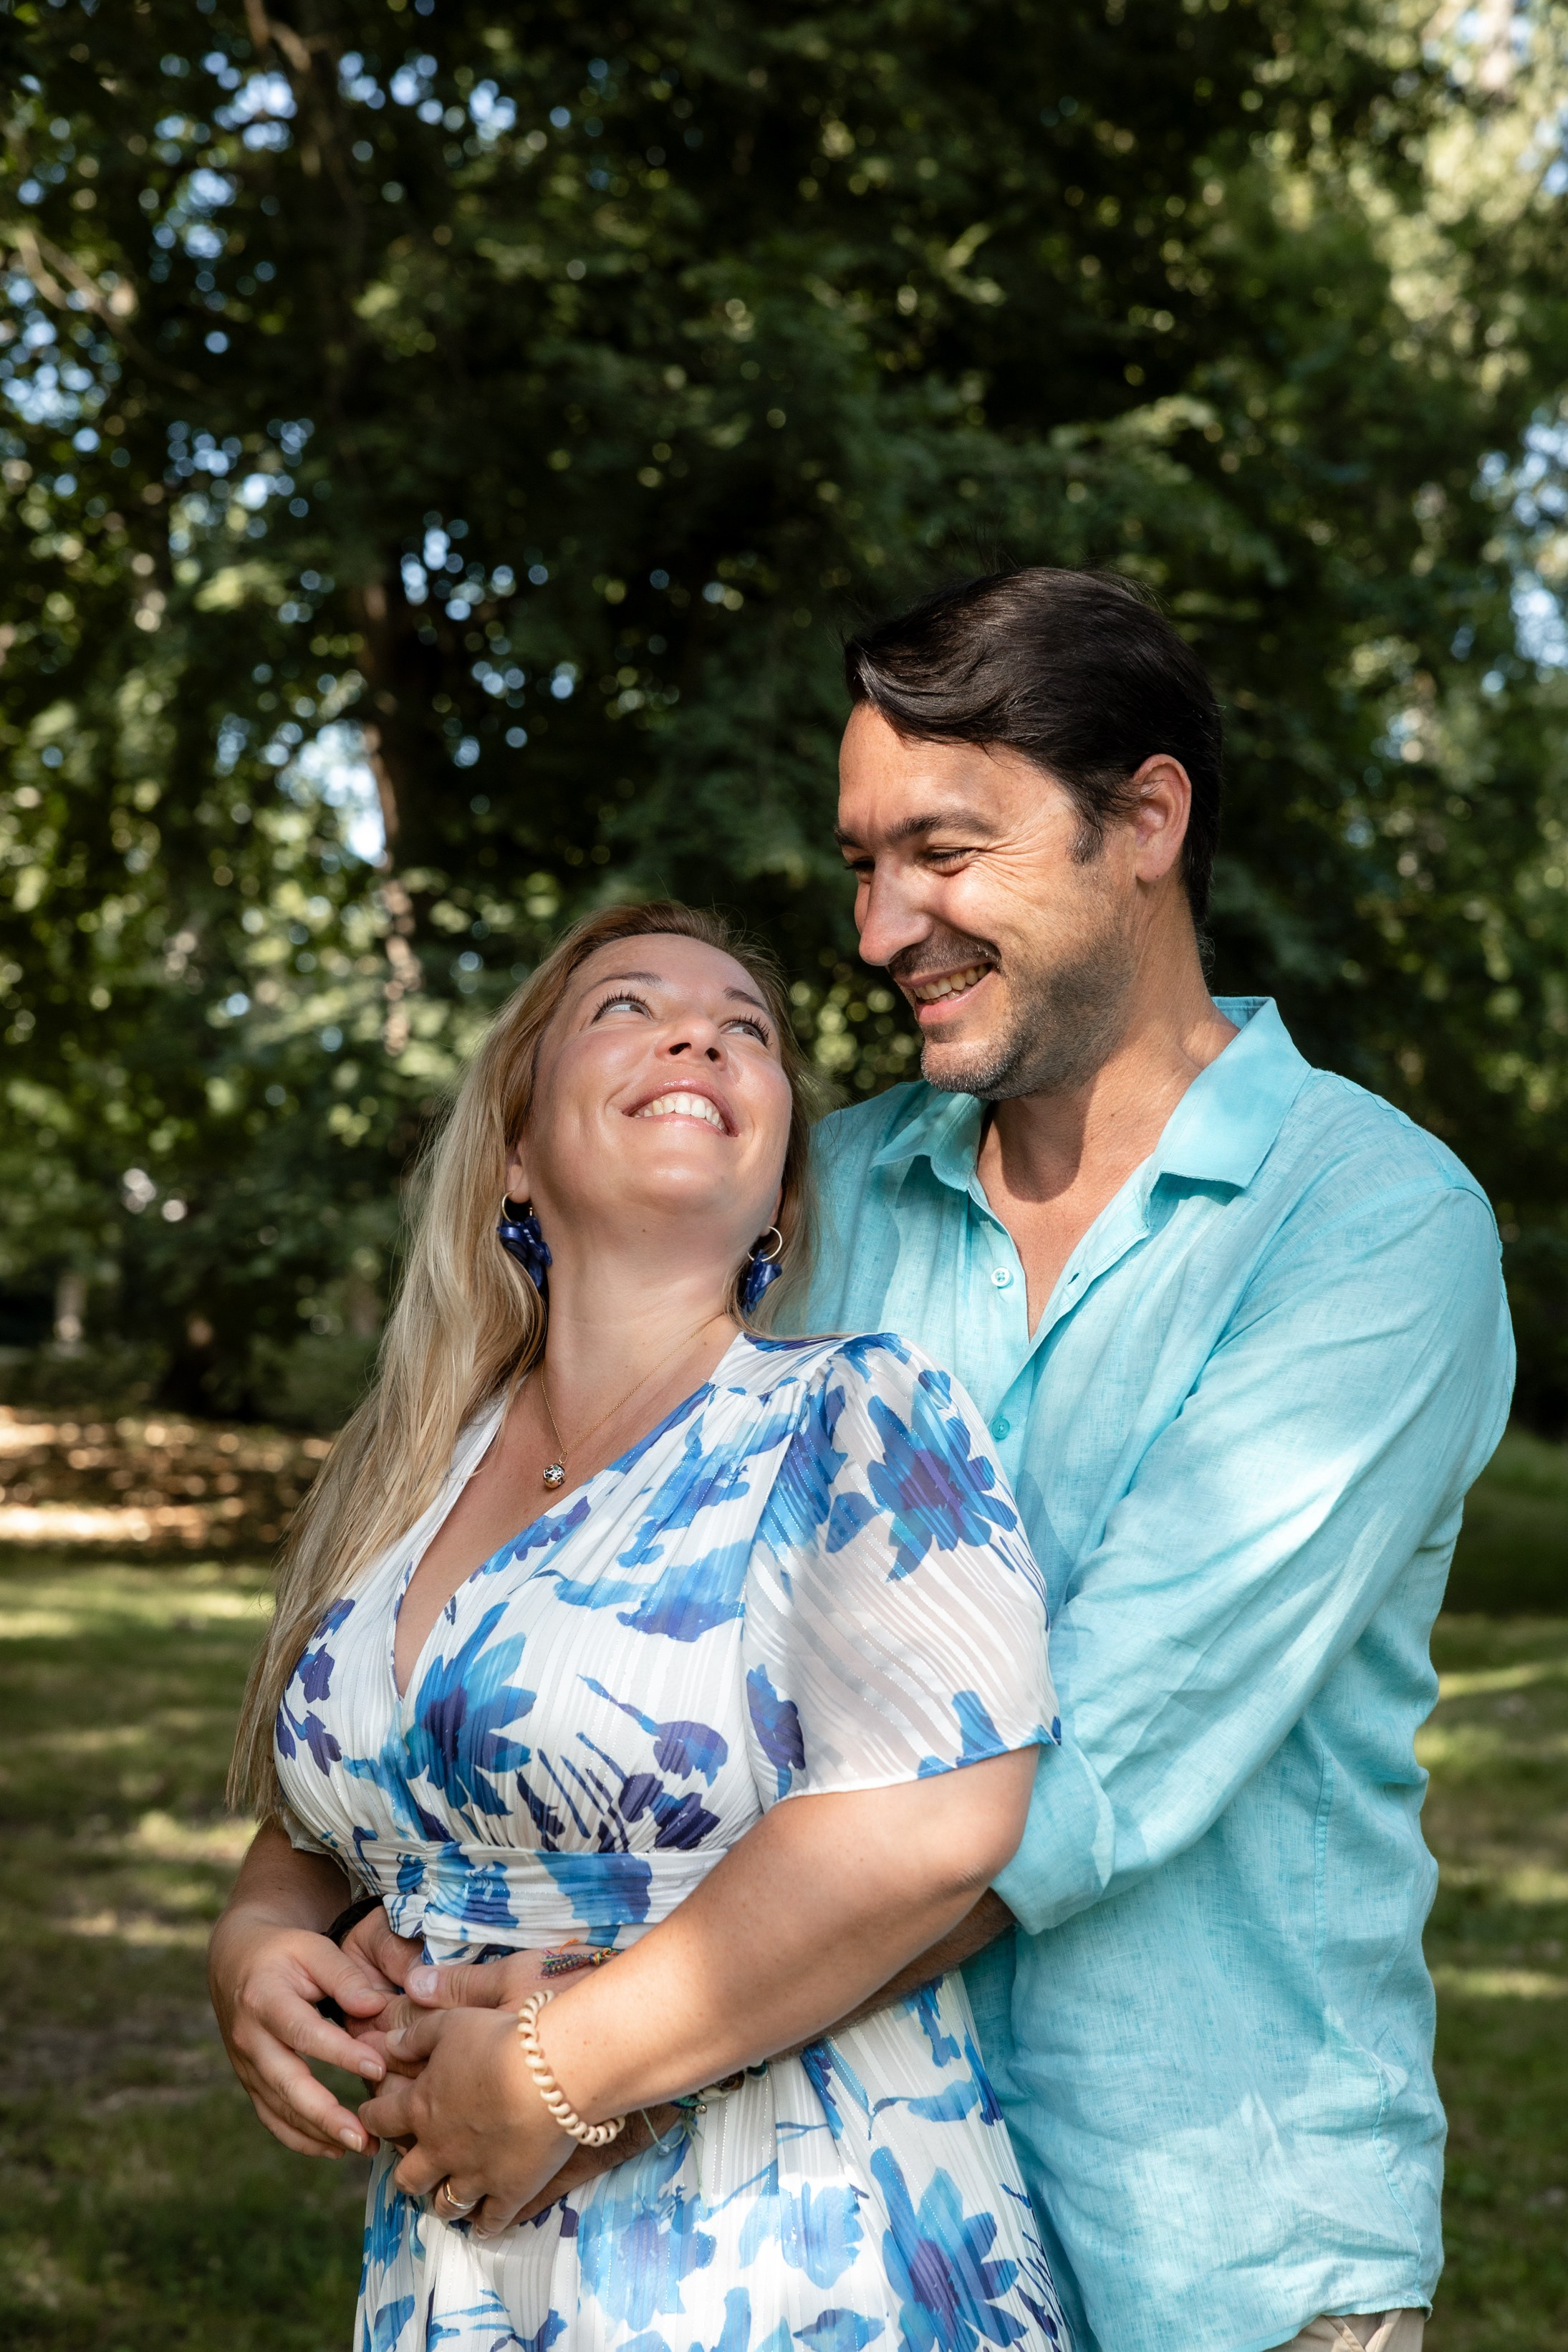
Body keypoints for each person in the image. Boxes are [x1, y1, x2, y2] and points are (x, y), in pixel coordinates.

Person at [370, 567, 1511, 2352]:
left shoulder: (1371, 1229)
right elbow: (533, 1563)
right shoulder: (818, 1203)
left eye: (945, 855)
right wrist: (288, 1911)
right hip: (802, 2242)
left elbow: (1079, 1773)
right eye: (859, 863)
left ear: (1144, 819)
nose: (881, 926)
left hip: (1209, 2247)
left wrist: (582, 2063)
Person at [209, 902, 1073, 2352]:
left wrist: (556, 2074)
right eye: (628, 1008)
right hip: (461, 2255)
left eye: (747, 1030)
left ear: (784, 1199)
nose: (700, 1035)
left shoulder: (853, 1412)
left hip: (790, 2239)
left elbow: (948, 1815)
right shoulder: (416, 1462)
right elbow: (353, 1803)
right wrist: (257, 1934)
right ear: (516, 1154)